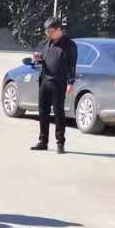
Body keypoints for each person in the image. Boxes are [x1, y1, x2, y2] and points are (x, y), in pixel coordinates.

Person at [31, 17, 77, 154]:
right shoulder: (47, 42)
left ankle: (60, 143)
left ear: (59, 29)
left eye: (50, 31)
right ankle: (43, 141)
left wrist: (71, 82)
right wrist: (38, 58)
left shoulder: (69, 45)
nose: (48, 34)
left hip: (59, 82)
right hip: (45, 80)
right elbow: (44, 59)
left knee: (58, 112)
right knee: (42, 111)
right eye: (46, 32)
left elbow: (72, 65)